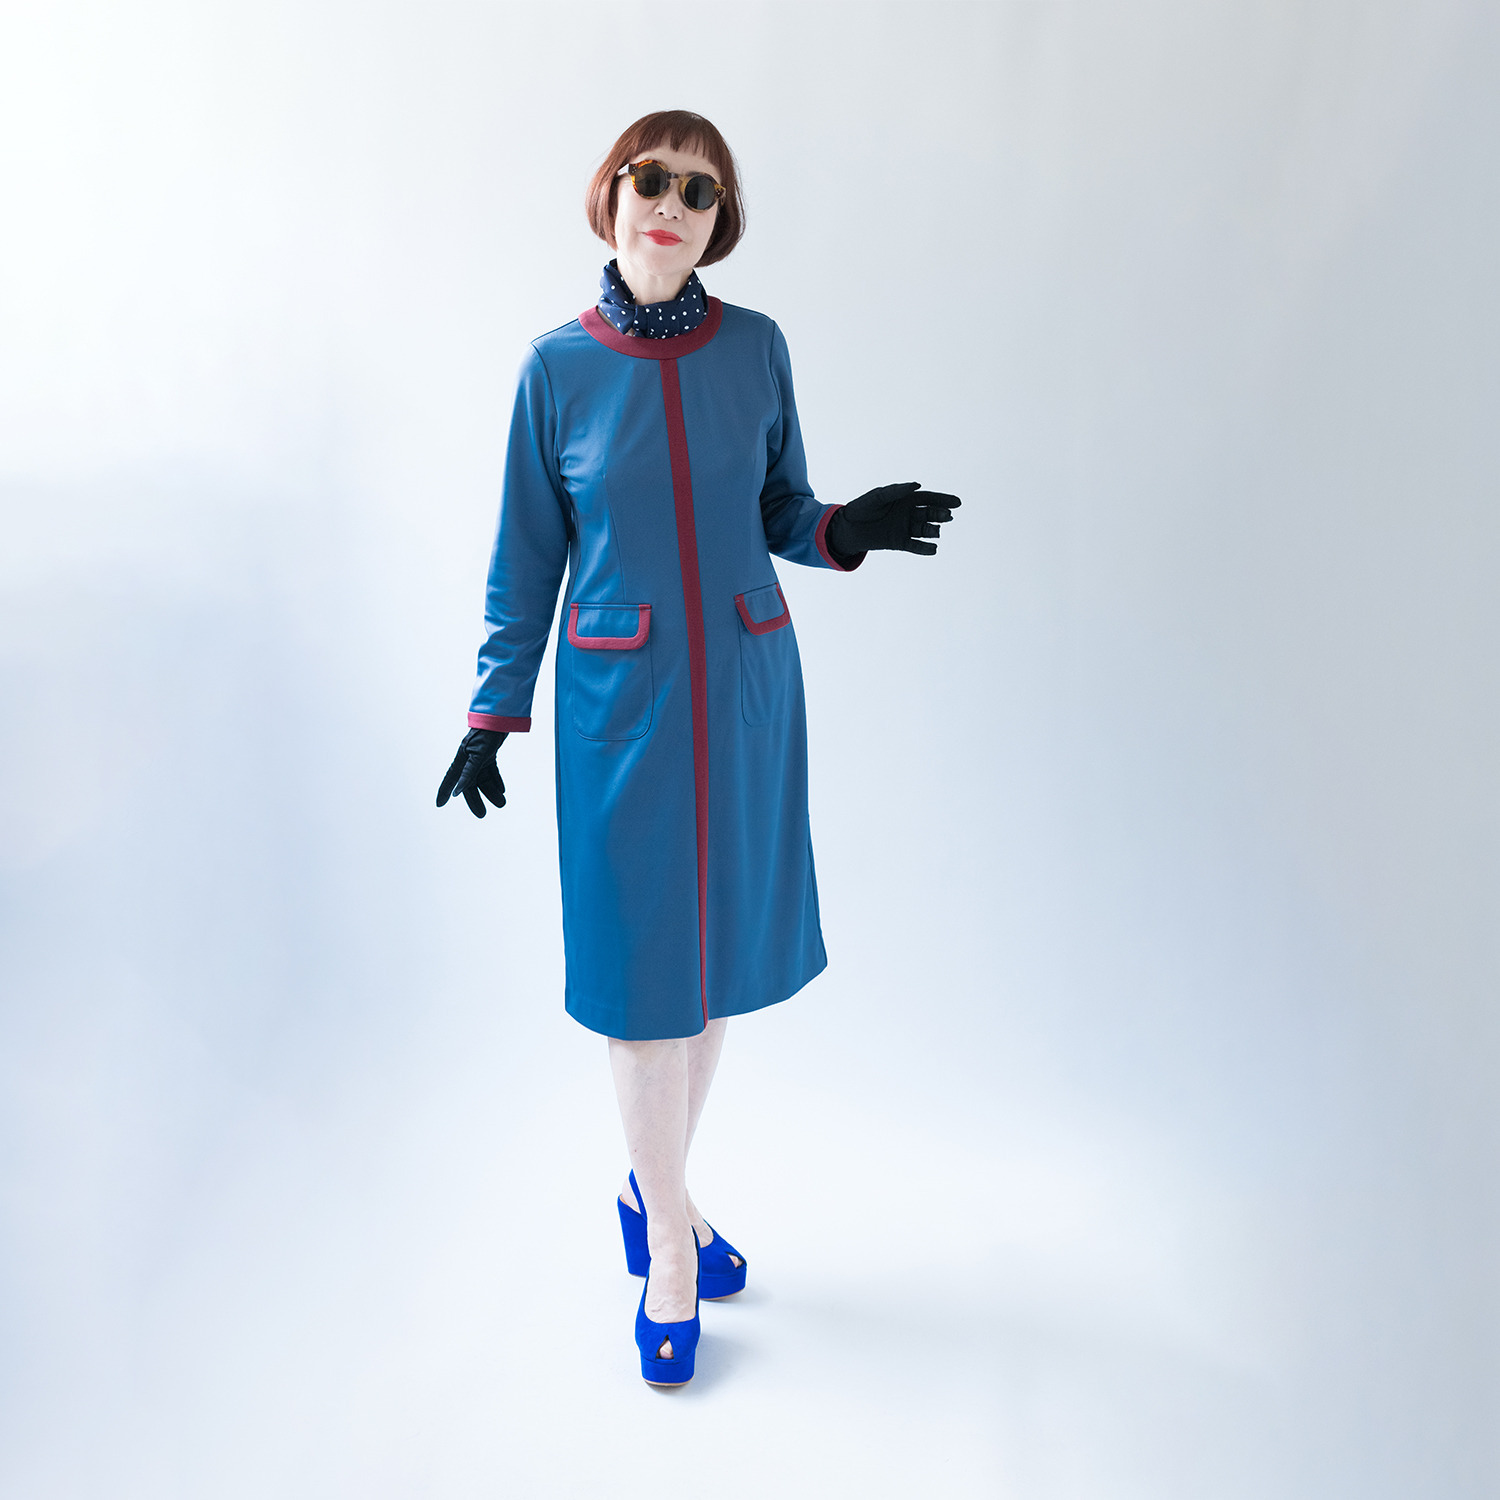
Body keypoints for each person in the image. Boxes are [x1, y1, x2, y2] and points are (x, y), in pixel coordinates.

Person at [436, 110, 959, 1386]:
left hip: (745, 689)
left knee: (715, 962)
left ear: (721, 223)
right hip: (620, 709)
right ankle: (670, 1242)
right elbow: (525, 559)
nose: (671, 203)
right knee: (640, 974)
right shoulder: (556, 370)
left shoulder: (757, 349)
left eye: (700, 191)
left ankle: (647, 1191)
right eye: (651, 179)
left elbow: (782, 507)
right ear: (610, 196)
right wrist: (493, 712)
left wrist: (843, 529)